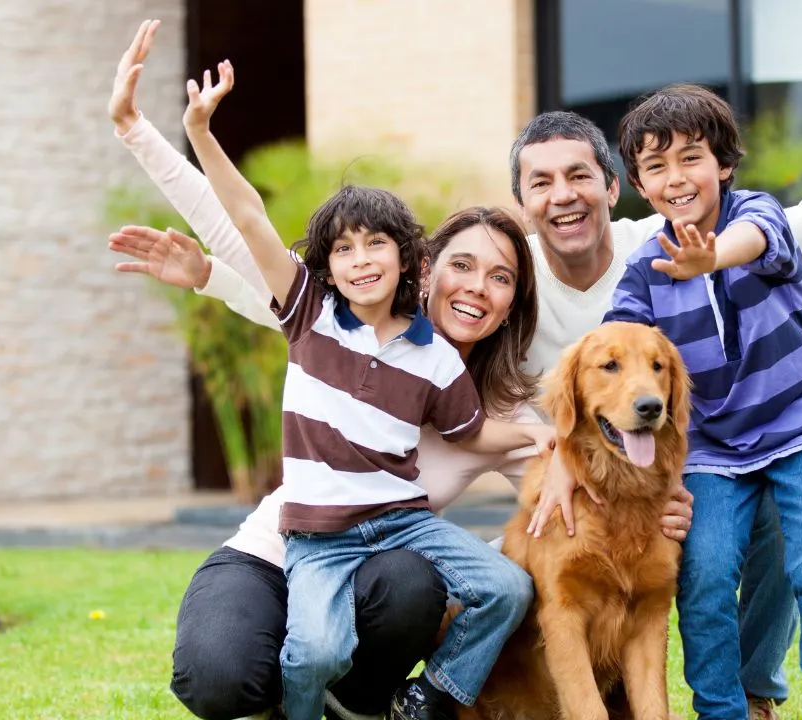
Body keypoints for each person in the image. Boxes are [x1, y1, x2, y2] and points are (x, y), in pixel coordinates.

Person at [106, 19, 802, 720]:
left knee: (732, 502)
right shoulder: (366, 320)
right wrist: (144, 135)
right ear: (434, 262)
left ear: (612, 187)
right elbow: (243, 245)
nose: (479, 285)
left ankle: (749, 694)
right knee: (225, 678)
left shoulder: (650, 260)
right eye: (538, 186)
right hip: (285, 545)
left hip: (389, 556)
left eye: (579, 177)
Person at [177, 56, 559, 720]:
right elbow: (246, 217)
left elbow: (474, 431)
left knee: (506, 587)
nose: (361, 261)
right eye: (344, 251)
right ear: (432, 270)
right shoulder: (311, 315)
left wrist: (546, 438)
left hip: (399, 529)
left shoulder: (435, 358)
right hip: (311, 538)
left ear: (407, 258)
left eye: (499, 277)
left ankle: (431, 696)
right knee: (309, 652)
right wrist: (202, 134)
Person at [601, 83, 802, 719]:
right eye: (656, 166)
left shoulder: (757, 215)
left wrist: (710, 256)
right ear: (640, 182)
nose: (676, 177)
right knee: (706, 576)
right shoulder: (642, 270)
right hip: (715, 446)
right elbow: (619, 350)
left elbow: (751, 238)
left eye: (691, 158)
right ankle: (721, 711)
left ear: (723, 163)